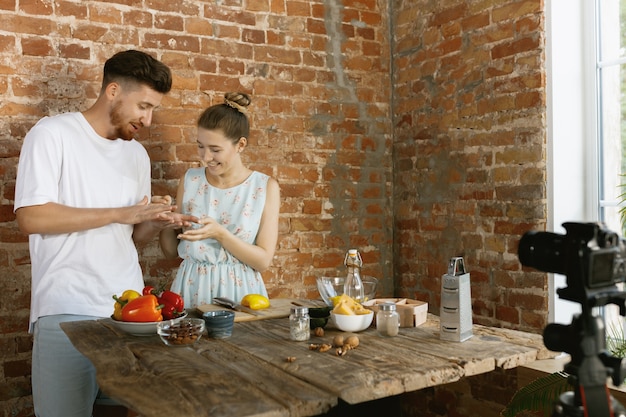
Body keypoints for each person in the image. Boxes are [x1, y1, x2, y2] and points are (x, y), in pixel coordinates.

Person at [14, 50, 196, 417]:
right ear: (113, 90)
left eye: (153, 109)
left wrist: (152, 221)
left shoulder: (137, 156)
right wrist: (122, 212)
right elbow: (31, 217)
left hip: (129, 314)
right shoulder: (53, 135)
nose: (147, 118)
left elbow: (131, 239)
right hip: (66, 311)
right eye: (143, 106)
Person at [159, 92, 280, 308]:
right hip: (190, 288)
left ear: (240, 145)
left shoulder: (264, 187)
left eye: (215, 150)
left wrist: (220, 234)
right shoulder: (190, 180)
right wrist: (164, 222)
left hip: (241, 294)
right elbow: (170, 252)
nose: (205, 157)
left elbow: (263, 261)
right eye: (200, 146)